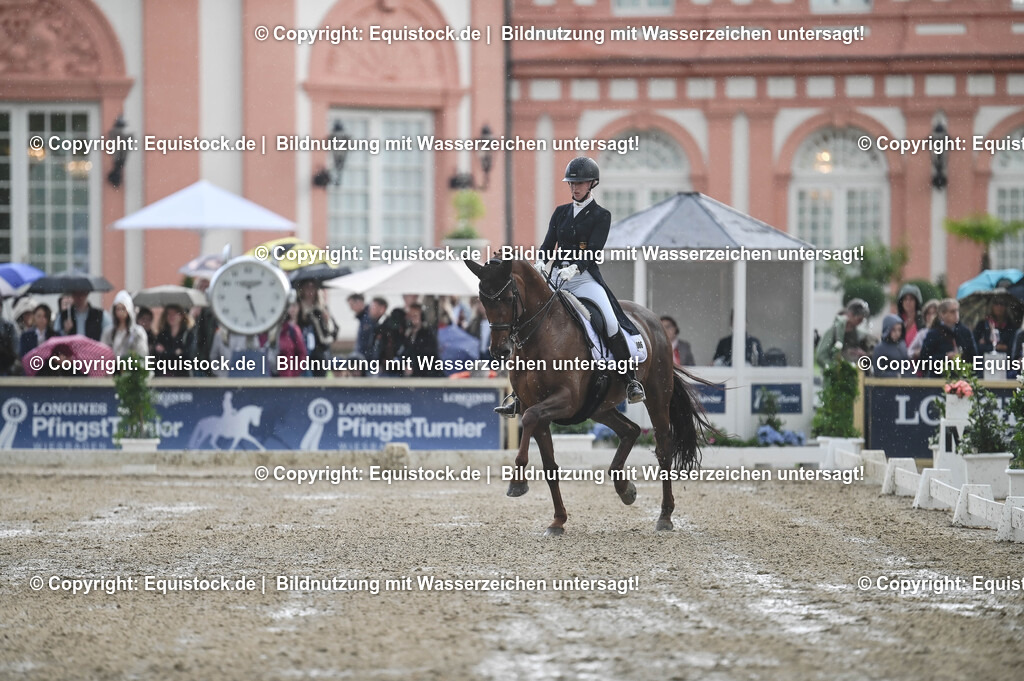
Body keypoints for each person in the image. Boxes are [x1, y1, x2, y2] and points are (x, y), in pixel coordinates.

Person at [495, 156, 644, 417]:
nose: (575, 187)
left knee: (610, 322)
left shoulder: (601, 215)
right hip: (556, 277)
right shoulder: (561, 212)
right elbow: (547, 244)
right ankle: (520, 394)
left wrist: (575, 267)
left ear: (592, 184)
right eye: (572, 183)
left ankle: (630, 380)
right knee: (527, 320)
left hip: (584, 279)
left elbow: (594, 250)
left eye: (580, 183)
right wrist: (541, 263)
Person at [919, 298, 978, 375]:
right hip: (939, 377)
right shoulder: (933, 334)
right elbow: (923, 361)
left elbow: (974, 357)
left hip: (962, 377)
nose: (956, 314)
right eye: (952, 311)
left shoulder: (965, 332)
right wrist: (945, 357)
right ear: (942, 314)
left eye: (957, 310)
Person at [815, 298, 872, 370]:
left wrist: (862, 354)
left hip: (854, 371)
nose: (861, 322)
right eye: (859, 319)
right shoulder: (834, 331)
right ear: (850, 314)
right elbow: (821, 355)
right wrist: (832, 368)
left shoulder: (858, 333)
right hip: (837, 372)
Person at [297, 280, 338, 377]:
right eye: (307, 288)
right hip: (303, 351)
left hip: (320, 352)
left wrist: (327, 321)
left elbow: (334, 331)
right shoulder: (298, 308)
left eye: (312, 288)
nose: (310, 291)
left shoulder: (322, 308)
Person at [100, 290, 149, 359]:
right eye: (118, 309)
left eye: (123, 309)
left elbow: (142, 354)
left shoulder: (137, 332)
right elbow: (102, 352)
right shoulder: (108, 332)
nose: (120, 312)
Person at [400, 302, 442, 377]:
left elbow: (427, 357)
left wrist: (413, 368)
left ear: (421, 317)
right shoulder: (408, 335)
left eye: (415, 316)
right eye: (410, 316)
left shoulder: (427, 334)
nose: (412, 319)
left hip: (427, 375)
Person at [152, 304, 194, 377]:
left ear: (181, 316)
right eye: (169, 314)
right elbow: (157, 357)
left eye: (174, 314)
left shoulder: (188, 335)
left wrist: (166, 352)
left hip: (182, 376)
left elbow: (188, 357)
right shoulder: (162, 335)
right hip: (163, 375)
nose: (171, 317)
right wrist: (176, 352)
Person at [273, 291, 308, 377]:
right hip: (269, 377)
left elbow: (302, 354)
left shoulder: (292, 330)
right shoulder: (269, 330)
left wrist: (294, 373)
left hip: (287, 376)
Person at [347, 293, 375, 358]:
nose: (351, 308)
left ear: (359, 302)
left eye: (352, 305)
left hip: (366, 357)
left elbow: (367, 342)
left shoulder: (368, 318)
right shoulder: (364, 317)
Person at [896, 283, 923, 348]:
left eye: (911, 299)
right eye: (905, 299)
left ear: (916, 302)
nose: (908, 302)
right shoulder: (896, 320)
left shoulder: (922, 321)